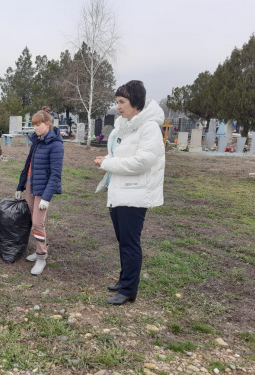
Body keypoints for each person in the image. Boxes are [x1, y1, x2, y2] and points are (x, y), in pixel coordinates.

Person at [94, 80, 165, 305]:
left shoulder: (149, 127)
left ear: (135, 102)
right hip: (120, 192)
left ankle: (128, 290)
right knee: (123, 241)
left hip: (134, 194)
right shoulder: (126, 124)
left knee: (130, 243)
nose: (118, 106)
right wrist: (107, 160)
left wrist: (108, 164)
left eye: (122, 102)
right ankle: (124, 280)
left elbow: (142, 162)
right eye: (117, 102)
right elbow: (121, 155)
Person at [15, 107, 64, 275]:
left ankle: (41, 256)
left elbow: (56, 174)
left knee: (37, 222)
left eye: (38, 124)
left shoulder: (56, 145)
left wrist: (46, 197)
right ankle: (38, 249)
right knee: (34, 220)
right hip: (31, 185)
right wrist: (21, 185)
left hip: (43, 189)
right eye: (33, 124)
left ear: (48, 124)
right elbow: (28, 164)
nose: (35, 128)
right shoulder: (36, 140)